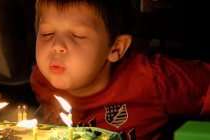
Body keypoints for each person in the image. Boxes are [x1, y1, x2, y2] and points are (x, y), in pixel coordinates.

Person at [29, 0, 210, 139]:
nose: (56, 46)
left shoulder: (153, 79)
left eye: (77, 35)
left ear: (116, 48)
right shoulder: (42, 79)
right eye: (47, 33)